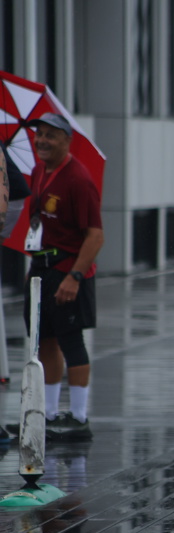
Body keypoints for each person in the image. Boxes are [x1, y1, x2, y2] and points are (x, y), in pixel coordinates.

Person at [18, 112, 104, 442]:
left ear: (67, 140)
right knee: (45, 340)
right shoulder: (39, 171)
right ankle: (50, 414)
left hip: (68, 268)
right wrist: (33, 269)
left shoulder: (78, 179)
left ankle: (79, 418)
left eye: (50, 135)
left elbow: (95, 236)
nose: (41, 140)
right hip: (42, 267)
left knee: (71, 340)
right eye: (39, 134)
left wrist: (75, 276)